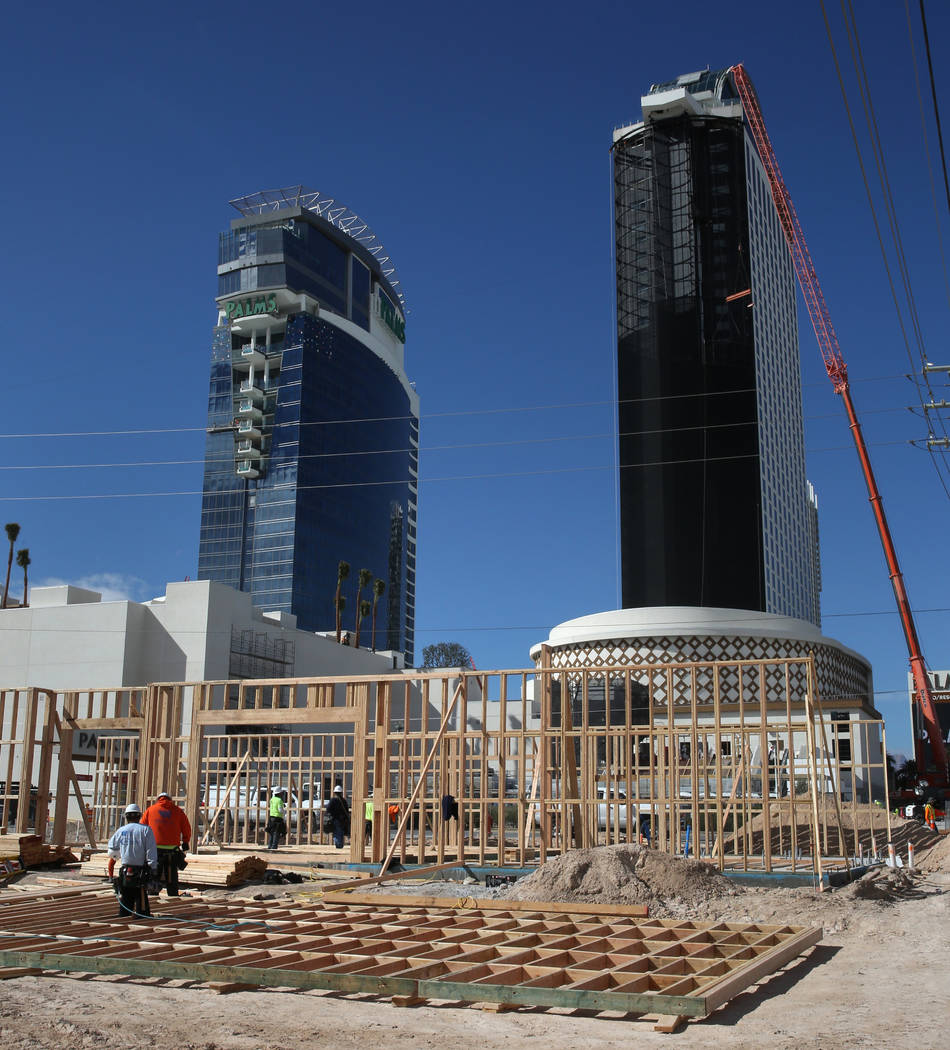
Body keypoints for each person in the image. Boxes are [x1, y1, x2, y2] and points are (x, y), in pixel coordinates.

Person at [107, 803, 158, 918]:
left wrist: (120, 855)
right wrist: (153, 868)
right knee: (141, 900)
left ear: (126, 817)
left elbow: (111, 849)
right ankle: (141, 917)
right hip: (140, 871)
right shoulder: (146, 830)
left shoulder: (121, 830)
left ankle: (124, 916)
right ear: (139, 816)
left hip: (125, 870)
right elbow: (151, 851)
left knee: (126, 897)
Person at [140, 791, 191, 897]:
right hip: (172, 851)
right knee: (171, 877)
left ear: (158, 799)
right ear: (170, 800)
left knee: (154, 875)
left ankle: (152, 898)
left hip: (155, 850)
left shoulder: (151, 810)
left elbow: (142, 828)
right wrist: (186, 841)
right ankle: (173, 897)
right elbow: (186, 827)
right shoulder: (177, 811)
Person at [325, 784, 350, 849]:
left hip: (336, 819)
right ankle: (340, 844)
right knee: (340, 832)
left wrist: (330, 815)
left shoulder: (333, 800)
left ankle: (339, 845)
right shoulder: (344, 801)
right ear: (341, 792)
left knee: (337, 832)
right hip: (343, 819)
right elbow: (347, 810)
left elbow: (328, 809)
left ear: (335, 792)